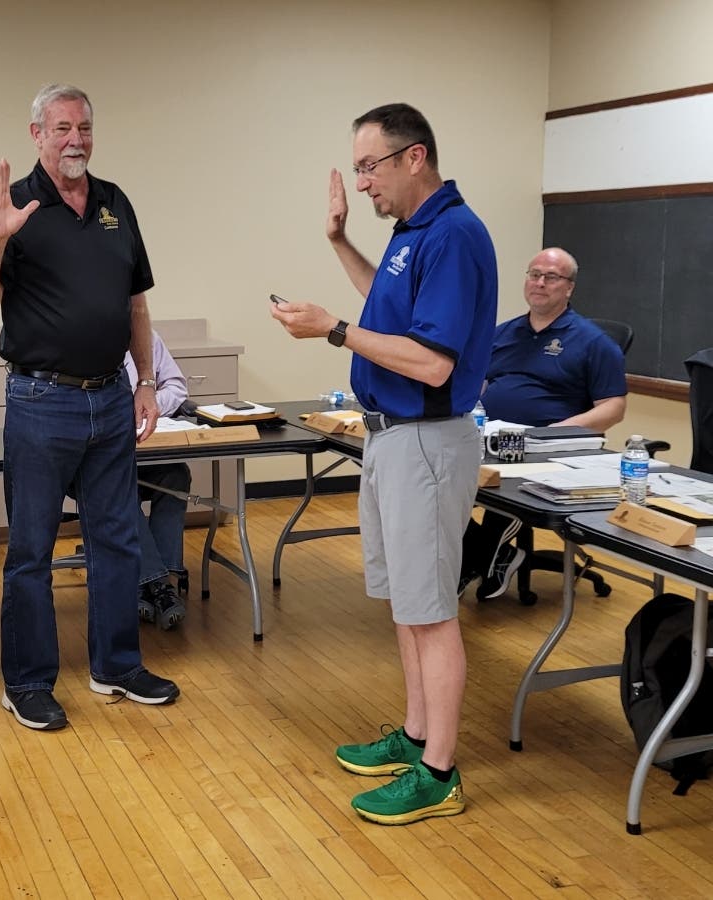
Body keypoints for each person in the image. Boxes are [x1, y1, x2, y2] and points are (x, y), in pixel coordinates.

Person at [271, 103, 496, 825]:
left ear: (414, 157)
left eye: (370, 167)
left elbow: (432, 363)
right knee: (408, 602)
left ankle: (440, 773)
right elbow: (388, 306)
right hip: (392, 438)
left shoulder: (453, 235)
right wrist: (339, 241)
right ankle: (417, 732)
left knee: (431, 612)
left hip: (426, 441)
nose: (363, 182)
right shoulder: (412, 232)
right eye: (359, 169)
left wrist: (333, 331)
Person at [0, 83, 180, 732]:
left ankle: (117, 665)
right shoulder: (14, 205)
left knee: (117, 541)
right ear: (37, 135)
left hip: (111, 398)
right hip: (40, 400)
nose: (75, 140)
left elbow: (136, 303)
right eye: (61, 128)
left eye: (83, 127)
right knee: (31, 549)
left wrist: (146, 382)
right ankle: (27, 683)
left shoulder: (115, 202)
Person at [459, 248, 628, 600]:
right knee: (430, 480)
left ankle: (482, 559)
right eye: (534, 274)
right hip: (489, 437)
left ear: (569, 287)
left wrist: (554, 432)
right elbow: (479, 385)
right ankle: (495, 556)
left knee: (502, 486)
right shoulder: (502, 333)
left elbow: (613, 408)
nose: (539, 283)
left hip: (547, 448)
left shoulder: (594, 342)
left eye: (551, 277)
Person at [125, 330, 191, 630]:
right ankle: (160, 585)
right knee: (118, 486)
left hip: (147, 446)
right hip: (98, 457)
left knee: (176, 475)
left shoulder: (145, 337)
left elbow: (177, 387)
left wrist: (147, 405)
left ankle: (148, 584)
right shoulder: (80, 336)